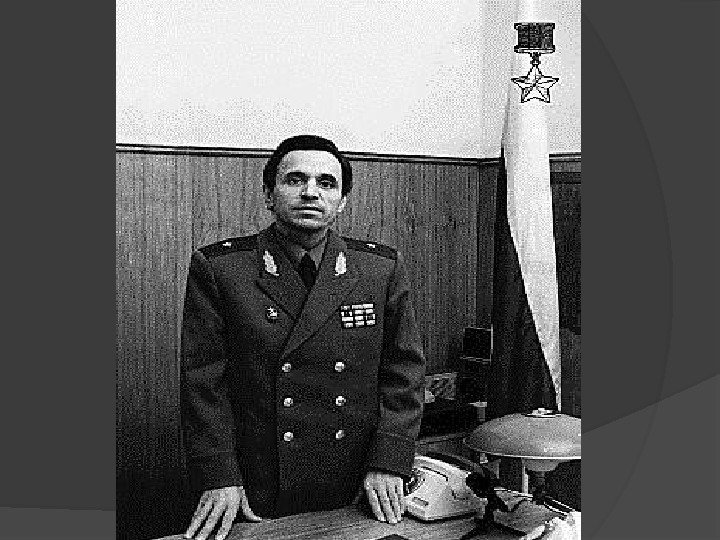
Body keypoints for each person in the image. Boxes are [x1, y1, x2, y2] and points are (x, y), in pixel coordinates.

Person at [181, 135, 426, 540]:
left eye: (326, 183)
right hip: (256, 481)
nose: (311, 192)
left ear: (342, 201)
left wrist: (389, 461)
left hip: (357, 480)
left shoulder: (378, 268)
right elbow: (204, 384)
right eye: (295, 180)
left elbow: (404, 372)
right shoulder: (222, 268)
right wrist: (219, 474)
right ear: (269, 195)